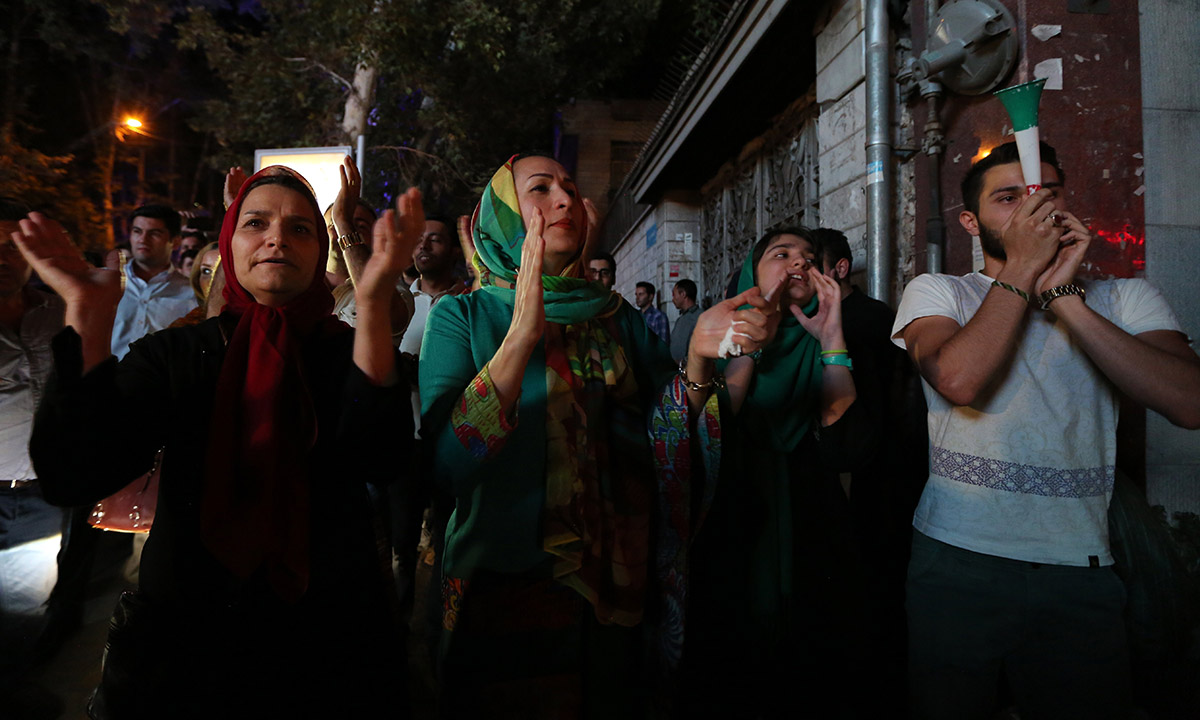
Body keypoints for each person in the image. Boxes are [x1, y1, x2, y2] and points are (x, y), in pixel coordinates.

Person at [17, 166, 418, 718]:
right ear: (229, 244)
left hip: (327, 635)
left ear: (320, 251)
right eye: (256, 222)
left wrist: (372, 309)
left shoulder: (346, 350)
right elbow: (75, 472)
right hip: (189, 639)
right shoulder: (177, 354)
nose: (278, 237)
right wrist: (88, 315)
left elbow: (380, 454)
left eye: (302, 229)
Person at [420, 154, 777, 717]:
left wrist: (700, 360)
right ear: (503, 218)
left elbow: (669, 441)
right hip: (506, 580)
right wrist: (521, 335)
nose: (565, 200)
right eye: (540, 189)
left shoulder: (616, 318)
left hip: (616, 581)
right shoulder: (460, 317)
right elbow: (446, 469)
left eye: (569, 187)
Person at [893, 140, 1200, 720]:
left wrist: (1065, 300)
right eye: (1009, 199)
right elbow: (958, 380)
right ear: (970, 221)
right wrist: (1023, 270)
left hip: (1080, 565)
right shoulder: (942, 293)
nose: (1035, 212)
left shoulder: (1124, 297)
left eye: (1047, 196)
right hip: (958, 560)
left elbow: (1189, 403)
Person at [677, 227, 864, 716]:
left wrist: (831, 338)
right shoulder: (716, 336)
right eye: (782, 255)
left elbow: (841, 436)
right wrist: (752, 341)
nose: (798, 264)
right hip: (737, 511)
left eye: (808, 257)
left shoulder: (823, 343)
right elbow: (719, 422)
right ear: (751, 274)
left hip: (811, 517)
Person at [0, 198, 67, 712]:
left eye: (12, 245)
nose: (3, 257)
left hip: (41, 496)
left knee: (25, 609)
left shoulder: (58, 310)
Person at [110, 204, 197, 360]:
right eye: (137, 231)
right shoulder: (108, 283)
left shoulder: (190, 293)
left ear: (175, 242)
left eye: (154, 233)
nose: (143, 239)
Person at [669, 278, 700, 362]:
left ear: (683, 294)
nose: (673, 299)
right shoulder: (680, 319)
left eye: (674, 295)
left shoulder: (699, 318)